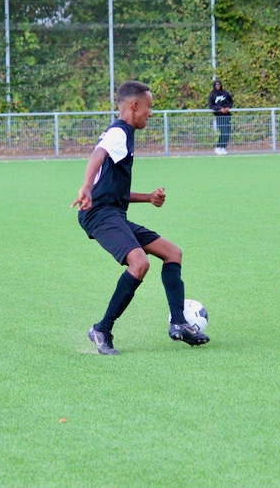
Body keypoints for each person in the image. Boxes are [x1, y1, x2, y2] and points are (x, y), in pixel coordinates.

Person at [74, 80, 210, 354]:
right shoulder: (119, 132)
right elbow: (97, 155)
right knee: (139, 263)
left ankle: (179, 323)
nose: (151, 112)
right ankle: (102, 329)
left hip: (112, 212)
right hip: (98, 214)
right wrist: (86, 186)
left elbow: (114, 191)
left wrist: (147, 197)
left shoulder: (124, 134)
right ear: (134, 106)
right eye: (149, 107)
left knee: (172, 253)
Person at [208, 79, 233, 155]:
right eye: (216, 85)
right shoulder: (212, 95)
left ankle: (223, 147)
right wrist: (220, 109)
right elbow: (211, 106)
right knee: (223, 132)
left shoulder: (225, 93)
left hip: (227, 115)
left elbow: (231, 101)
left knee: (227, 132)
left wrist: (228, 107)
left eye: (219, 84)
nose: (218, 86)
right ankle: (218, 147)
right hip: (219, 116)